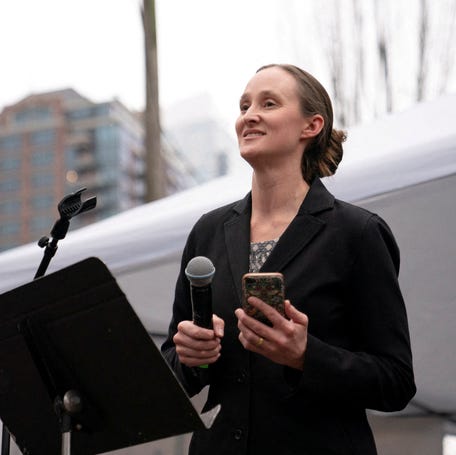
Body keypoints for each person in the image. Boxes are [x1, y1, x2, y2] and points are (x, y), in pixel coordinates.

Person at [161, 63, 416, 455]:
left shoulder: (357, 233)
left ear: (310, 126)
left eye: (269, 103)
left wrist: (305, 355)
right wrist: (193, 358)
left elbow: (395, 381)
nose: (249, 115)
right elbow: (173, 370)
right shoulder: (208, 231)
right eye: (244, 105)